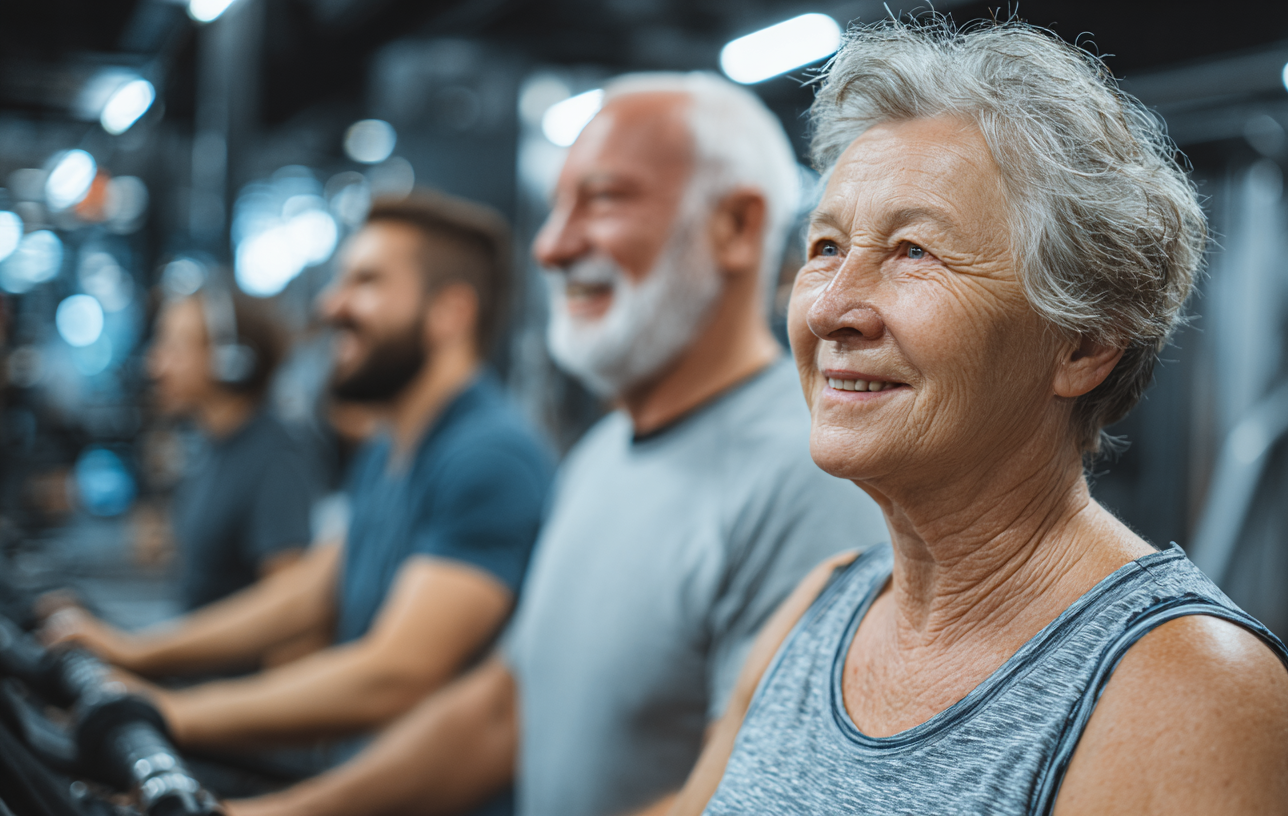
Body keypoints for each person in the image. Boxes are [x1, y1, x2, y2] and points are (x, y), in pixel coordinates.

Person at [667, 20, 1288, 816]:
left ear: (1084, 343)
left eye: (913, 251)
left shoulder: (1186, 689)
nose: (833, 308)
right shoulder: (817, 613)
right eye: (828, 246)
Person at [227, 72, 886, 816]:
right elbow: (506, 709)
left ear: (734, 227)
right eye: (556, 206)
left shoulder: (807, 475)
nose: (551, 245)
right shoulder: (599, 455)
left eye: (602, 200)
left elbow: (741, 799)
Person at [43, 193, 554, 765]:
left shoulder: (489, 456)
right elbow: (308, 593)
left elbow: (394, 673)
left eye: (366, 282)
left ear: (451, 313)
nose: (332, 305)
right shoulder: (392, 443)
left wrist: (169, 711)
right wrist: (140, 655)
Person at [147, 287, 317, 609]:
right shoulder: (214, 447)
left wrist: (147, 656)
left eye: (175, 346)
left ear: (230, 360)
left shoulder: (275, 459)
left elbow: (287, 611)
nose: (156, 365)